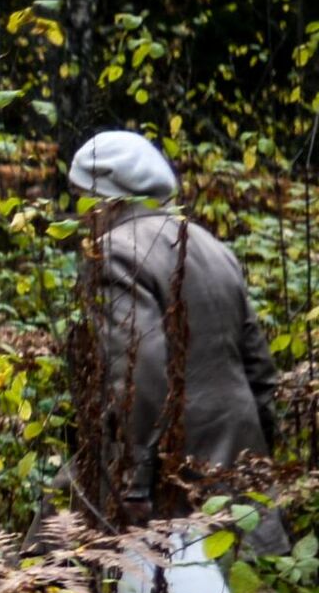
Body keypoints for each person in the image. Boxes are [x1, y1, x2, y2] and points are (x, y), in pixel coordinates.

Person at [63, 128, 286, 556]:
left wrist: (135, 480)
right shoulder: (212, 246)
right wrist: (258, 457)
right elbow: (260, 371)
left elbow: (139, 374)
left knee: (55, 562)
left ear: (104, 197)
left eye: (81, 197)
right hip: (240, 465)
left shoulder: (114, 252)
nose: (80, 213)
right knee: (248, 588)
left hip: (170, 475)